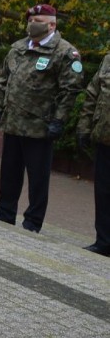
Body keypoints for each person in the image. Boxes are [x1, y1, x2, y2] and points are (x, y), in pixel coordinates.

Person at [0, 3, 83, 233]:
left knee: (38, 177)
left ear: (52, 25)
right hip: (13, 121)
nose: (32, 25)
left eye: (38, 21)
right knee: (9, 171)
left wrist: (58, 120)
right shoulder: (18, 47)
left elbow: (70, 90)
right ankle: (5, 212)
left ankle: (32, 221)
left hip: (40, 125)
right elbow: (4, 81)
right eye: (30, 21)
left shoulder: (64, 52)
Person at [76, 54, 110, 256]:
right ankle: (103, 241)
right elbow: (92, 95)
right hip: (104, 138)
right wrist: (84, 127)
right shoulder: (108, 60)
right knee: (103, 192)